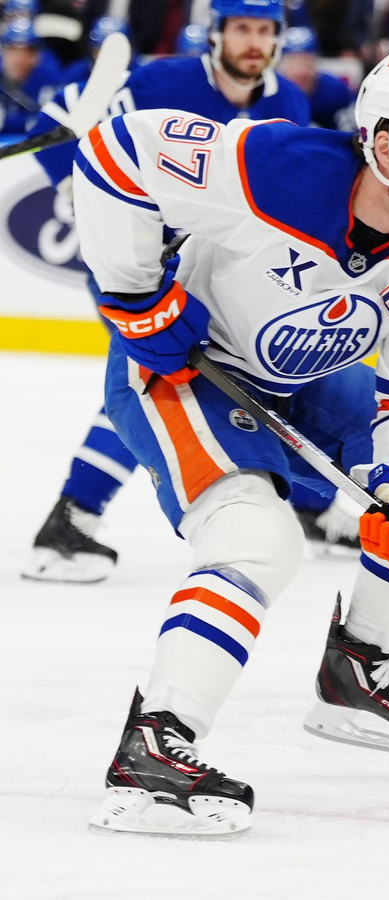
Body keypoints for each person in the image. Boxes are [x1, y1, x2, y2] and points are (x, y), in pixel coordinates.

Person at [81, 52, 389, 838]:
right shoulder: (276, 168)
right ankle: (157, 739)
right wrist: (133, 294)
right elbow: (116, 151)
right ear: (383, 143)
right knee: (258, 539)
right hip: (185, 369)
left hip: (303, 380)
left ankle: (358, 668)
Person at [22, 0, 312, 584]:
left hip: (216, 274)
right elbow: (50, 128)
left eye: (264, 31)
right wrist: (76, 184)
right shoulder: (161, 83)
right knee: (154, 378)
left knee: (267, 376)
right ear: (216, 34)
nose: (253, 42)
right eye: (242, 29)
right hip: (136, 266)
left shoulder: (288, 104)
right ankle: (69, 519)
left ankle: (309, 502)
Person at [278, 24, 354, 130]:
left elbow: (353, 132)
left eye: (307, 62)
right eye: (292, 63)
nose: (301, 71)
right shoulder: (268, 92)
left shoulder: (336, 91)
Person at [0, 16, 61, 136]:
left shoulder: (48, 78)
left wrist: (7, 122)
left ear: (36, 55)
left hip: (34, 142)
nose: (19, 59)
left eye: (27, 52)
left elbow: (48, 123)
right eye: (13, 51)